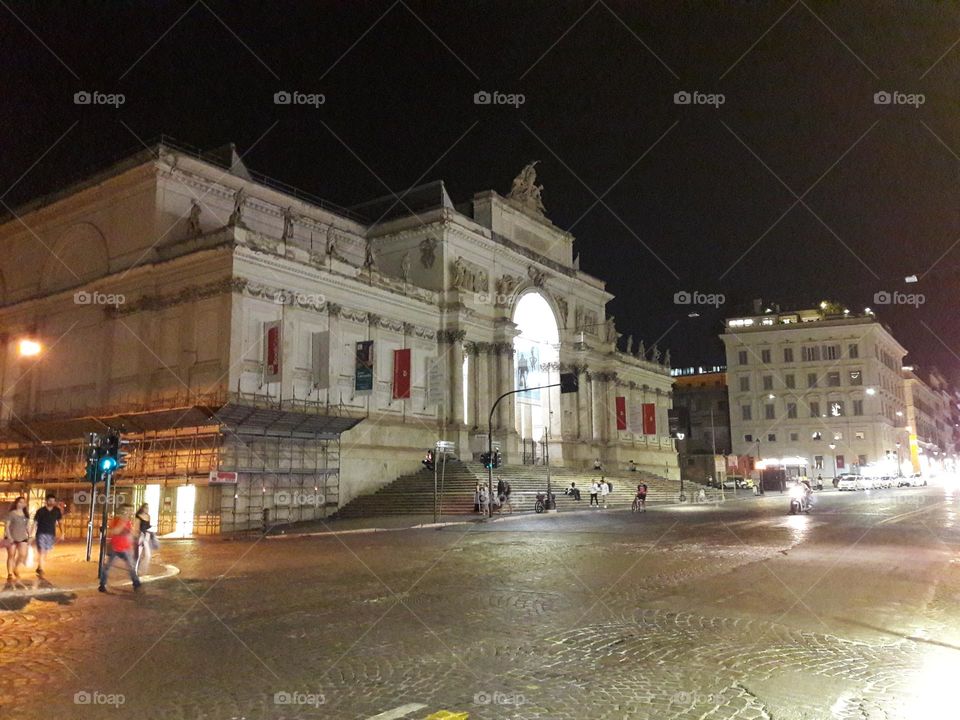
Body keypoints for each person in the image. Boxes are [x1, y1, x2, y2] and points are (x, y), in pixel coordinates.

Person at [99, 506, 141, 592]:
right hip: (115, 548)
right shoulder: (116, 520)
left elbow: (133, 534)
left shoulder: (129, 522)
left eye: (130, 511)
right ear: (122, 512)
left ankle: (136, 582)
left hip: (126, 548)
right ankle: (102, 584)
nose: (129, 513)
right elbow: (115, 531)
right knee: (107, 567)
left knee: (131, 567)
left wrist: (135, 529)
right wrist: (123, 522)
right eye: (126, 511)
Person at [32, 493, 63, 577]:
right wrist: (32, 533)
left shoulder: (57, 511)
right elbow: (35, 522)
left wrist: (62, 533)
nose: (52, 502)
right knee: (42, 551)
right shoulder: (40, 511)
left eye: (53, 501)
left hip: (51, 534)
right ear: (46, 501)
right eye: (50, 501)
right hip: (41, 533)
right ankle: (41, 569)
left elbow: (60, 522)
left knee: (45, 552)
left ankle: (39, 566)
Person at [4, 496, 30, 580]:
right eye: (20, 502)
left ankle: (16, 568)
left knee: (22, 554)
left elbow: (27, 527)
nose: (21, 504)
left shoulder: (26, 515)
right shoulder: (12, 513)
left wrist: (30, 536)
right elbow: (7, 526)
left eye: (23, 502)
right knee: (11, 555)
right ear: (16, 503)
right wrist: (9, 537)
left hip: (23, 537)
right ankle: (10, 573)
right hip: (12, 537)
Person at [134, 503, 153, 573]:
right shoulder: (138, 516)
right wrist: (138, 535)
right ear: (142, 508)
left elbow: (148, 526)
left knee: (148, 555)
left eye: (148, 508)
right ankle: (135, 570)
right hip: (141, 536)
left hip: (147, 536)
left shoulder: (148, 516)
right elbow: (136, 527)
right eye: (146, 508)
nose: (147, 509)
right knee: (138, 554)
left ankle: (141, 568)